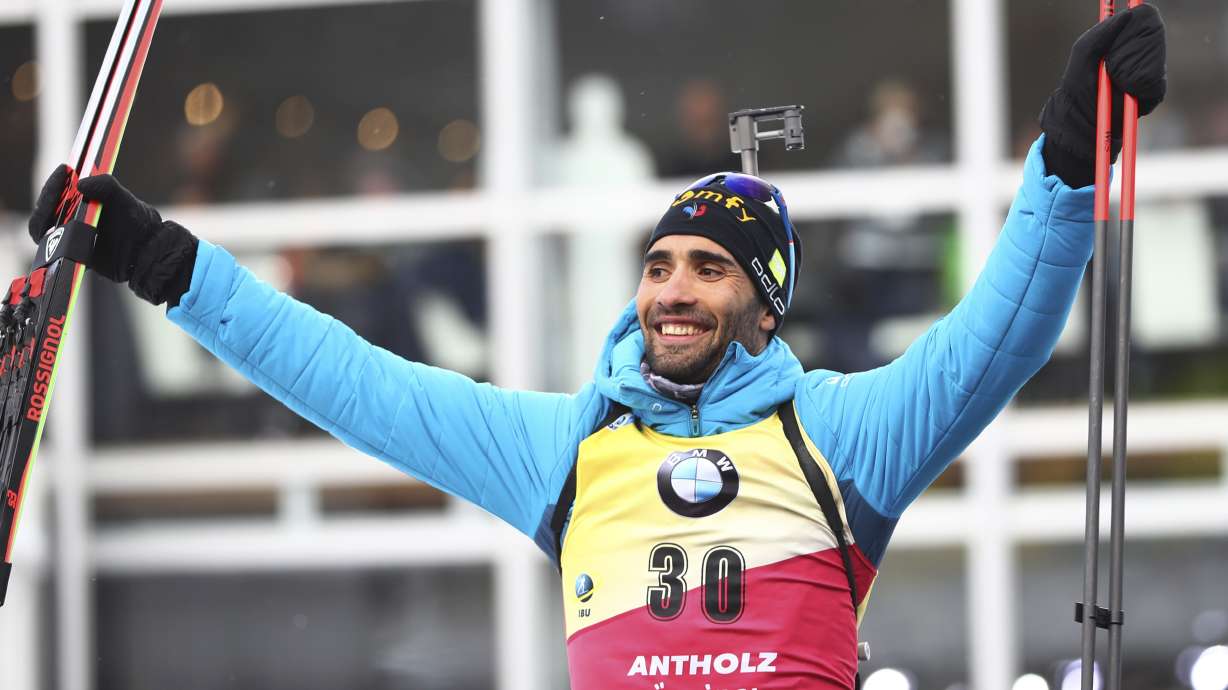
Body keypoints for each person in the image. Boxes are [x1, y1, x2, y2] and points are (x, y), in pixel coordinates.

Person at [25, 7, 1166, 688]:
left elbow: (998, 336)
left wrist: (1066, 157)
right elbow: (357, 384)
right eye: (660, 264)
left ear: (765, 305)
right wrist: (165, 263)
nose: (673, 290)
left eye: (709, 269)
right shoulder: (569, 448)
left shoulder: (840, 434)